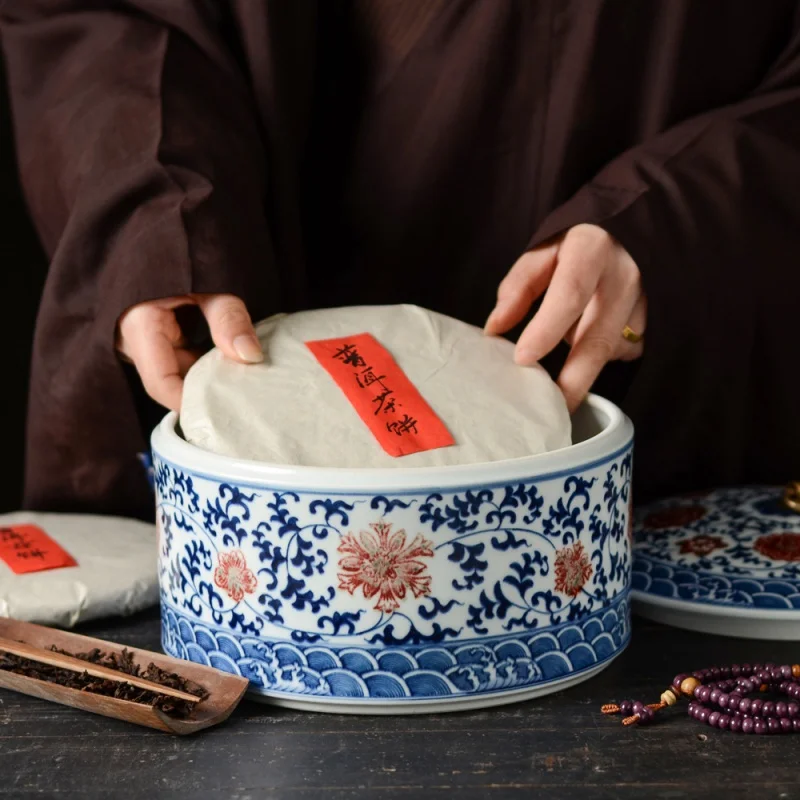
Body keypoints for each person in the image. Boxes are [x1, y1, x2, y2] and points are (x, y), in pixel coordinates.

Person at [1, 1, 799, 521]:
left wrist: (677, 215)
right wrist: (155, 214)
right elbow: (112, 20)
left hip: (648, 420)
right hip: (248, 334)